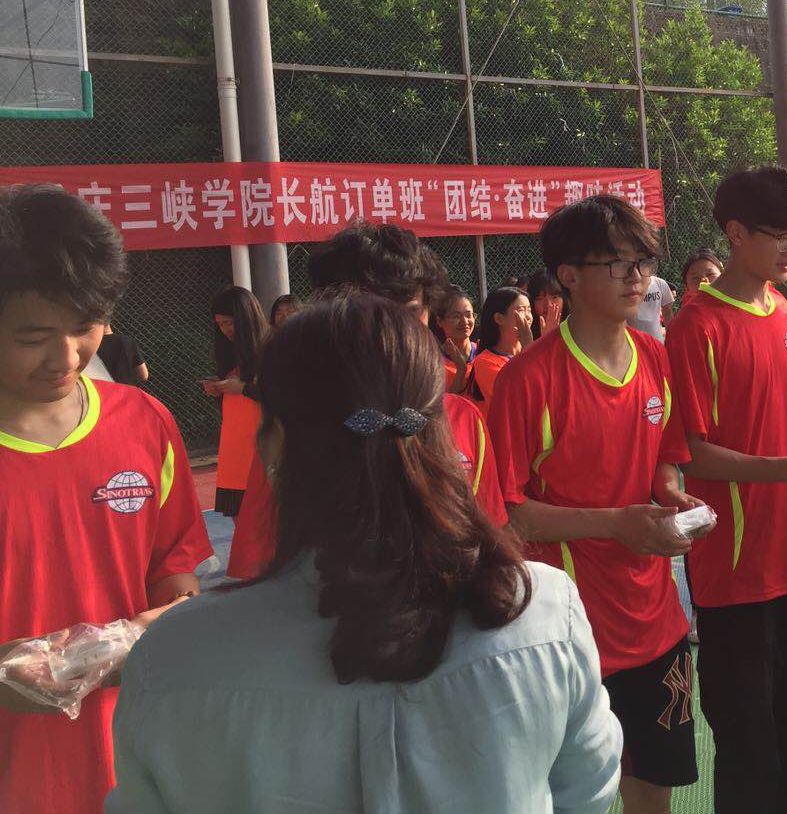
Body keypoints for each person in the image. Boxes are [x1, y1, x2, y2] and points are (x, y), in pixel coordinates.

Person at [106, 292, 622, 814]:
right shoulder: (543, 612)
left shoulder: (175, 657)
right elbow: (587, 791)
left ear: (272, 444)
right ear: (440, 434)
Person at [491, 195, 708, 813]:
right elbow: (508, 514)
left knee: (654, 787)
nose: (637, 277)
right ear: (567, 275)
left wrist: (670, 495)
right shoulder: (527, 379)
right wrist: (617, 524)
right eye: (617, 263)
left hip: (657, 622)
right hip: (568, 633)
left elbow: (665, 459)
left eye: (643, 261)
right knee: (573, 797)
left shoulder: (655, 357)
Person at [0, 184, 211, 814]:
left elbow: (175, 573)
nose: (65, 357)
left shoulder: (144, 423)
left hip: (132, 771)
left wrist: (156, 626)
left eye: (84, 328)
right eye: (33, 335)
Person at [665, 166, 787, 813]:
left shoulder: (782, 312)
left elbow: (782, 430)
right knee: (750, 746)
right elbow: (693, 453)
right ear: (735, 232)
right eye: (778, 235)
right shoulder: (696, 326)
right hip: (736, 571)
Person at [226, 222, 508, 580]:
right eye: (369, 316)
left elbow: (488, 538)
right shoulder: (293, 429)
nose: (390, 333)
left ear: (428, 314)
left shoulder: (465, 419)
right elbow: (256, 566)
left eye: (407, 314)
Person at [203, 286, 268, 518]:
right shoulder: (230, 356)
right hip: (234, 451)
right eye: (220, 324)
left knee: (268, 523)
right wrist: (218, 388)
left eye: (229, 323)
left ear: (246, 319)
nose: (225, 330)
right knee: (238, 519)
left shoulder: (272, 349)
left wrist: (244, 388)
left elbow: (286, 395)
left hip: (264, 451)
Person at [471, 286, 533, 412]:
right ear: (499, 318)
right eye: (521, 310)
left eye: (529, 310)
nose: (528, 316)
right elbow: (518, 399)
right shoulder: (485, 361)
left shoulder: (532, 348)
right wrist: (529, 351)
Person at [434, 286, 481, 398]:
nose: (464, 322)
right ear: (439, 321)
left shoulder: (482, 353)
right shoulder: (434, 364)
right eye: (456, 316)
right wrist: (461, 370)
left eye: (468, 315)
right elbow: (443, 405)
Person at [629, 271, 675, 342]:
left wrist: (671, 336)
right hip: (634, 341)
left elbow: (668, 312)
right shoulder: (627, 287)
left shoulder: (659, 283)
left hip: (657, 341)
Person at [528, 269, 568, 340]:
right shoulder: (527, 332)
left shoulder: (577, 328)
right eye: (539, 299)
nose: (548, 305)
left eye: (554, 297)